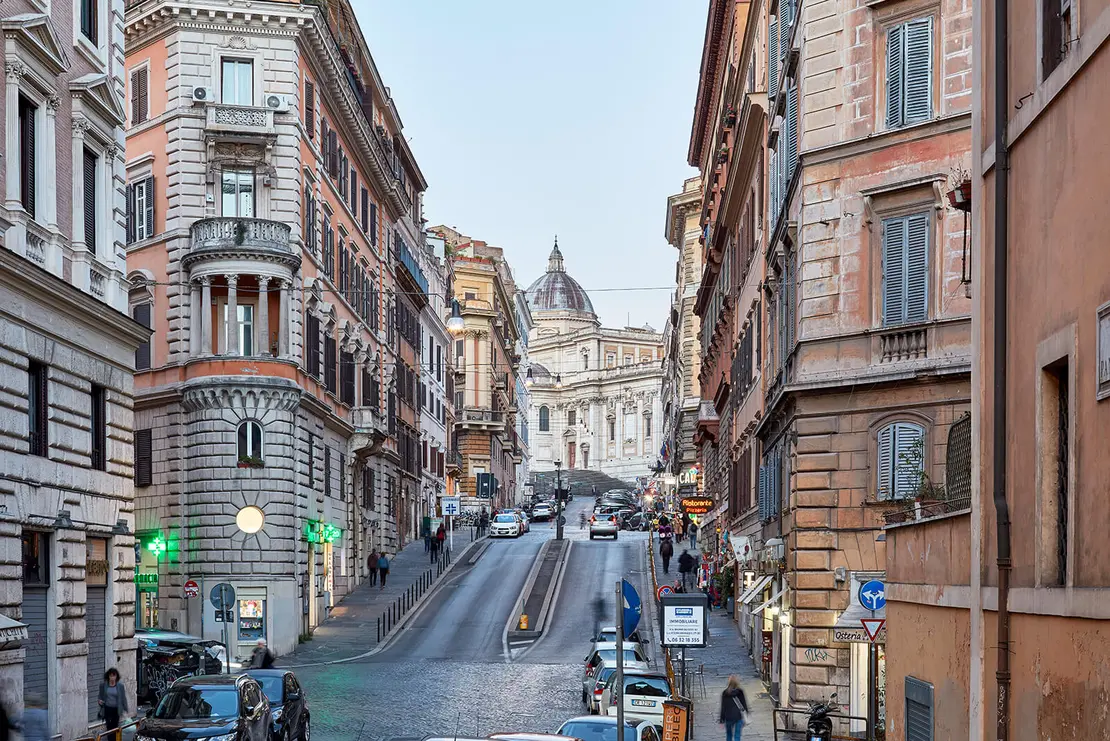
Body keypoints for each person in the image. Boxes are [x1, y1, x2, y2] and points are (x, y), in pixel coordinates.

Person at [719, 675, 749, 741]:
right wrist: (746, 713)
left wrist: (721, 720)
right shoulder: (740, 692)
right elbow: (744, 704)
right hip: (738, 716)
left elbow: (723, 707)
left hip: (728, 717)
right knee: (737, 736)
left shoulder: (725, 693)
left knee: (729, 735)